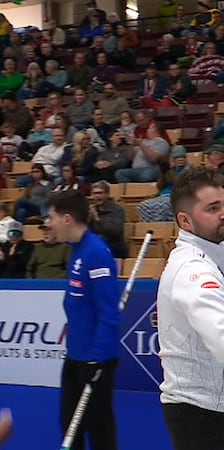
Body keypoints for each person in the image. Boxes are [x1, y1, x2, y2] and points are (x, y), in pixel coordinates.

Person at [158, 167, 224, 450]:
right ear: (186, 220)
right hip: (200, 411)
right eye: (213, 208)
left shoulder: (218, 259)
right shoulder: (194, 271)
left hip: (220, 406)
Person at [46, 189, 120, 450]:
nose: (47, 222)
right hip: (75, 355)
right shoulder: (75, 250)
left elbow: (109, 313)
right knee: (69, 426)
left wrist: (97, 359)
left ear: (67, 219)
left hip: (94, 359)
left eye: (51, 216)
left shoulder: (96, 253)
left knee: (99, 429)